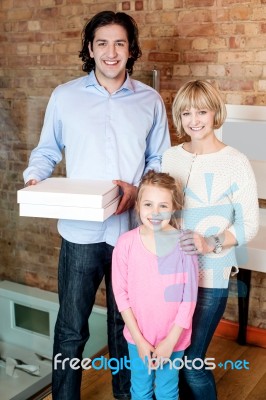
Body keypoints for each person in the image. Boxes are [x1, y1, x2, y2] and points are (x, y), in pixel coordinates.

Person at [23, 11, 170, 400]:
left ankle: (127, 396)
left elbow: (160, 161)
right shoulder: (64, 96)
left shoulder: (150, 100)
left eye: (119, 43)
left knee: (128, 328)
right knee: (71, 329)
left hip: (132, 237)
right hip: (79, 233)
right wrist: (35, 178)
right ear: (90, 49)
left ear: (131, 50)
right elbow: (46, 150)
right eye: (102, 43)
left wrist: (139, 191)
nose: (111, 51)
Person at [162, 79, 259, 399]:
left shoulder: (236, 161)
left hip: (211, 275)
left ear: (215, 113)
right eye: (187, 112)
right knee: (172, 356)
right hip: (172, 271)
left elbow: (249, 226)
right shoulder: (170, 158)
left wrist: (209, 243)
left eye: (201, 111)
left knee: (192, 360)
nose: (194, 120)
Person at [112, 170, 198, 400]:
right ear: (138, 205)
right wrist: (139, 340)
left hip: (173, 339)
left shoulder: (185, 244)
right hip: (138, 338)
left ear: (174, 206)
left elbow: (188, 299)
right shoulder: (125, 243)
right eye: (149, 204)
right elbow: (121, 295)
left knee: (167, 392)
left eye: (163, 205)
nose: (156, 213)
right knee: (140, 391)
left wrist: (171, 341)